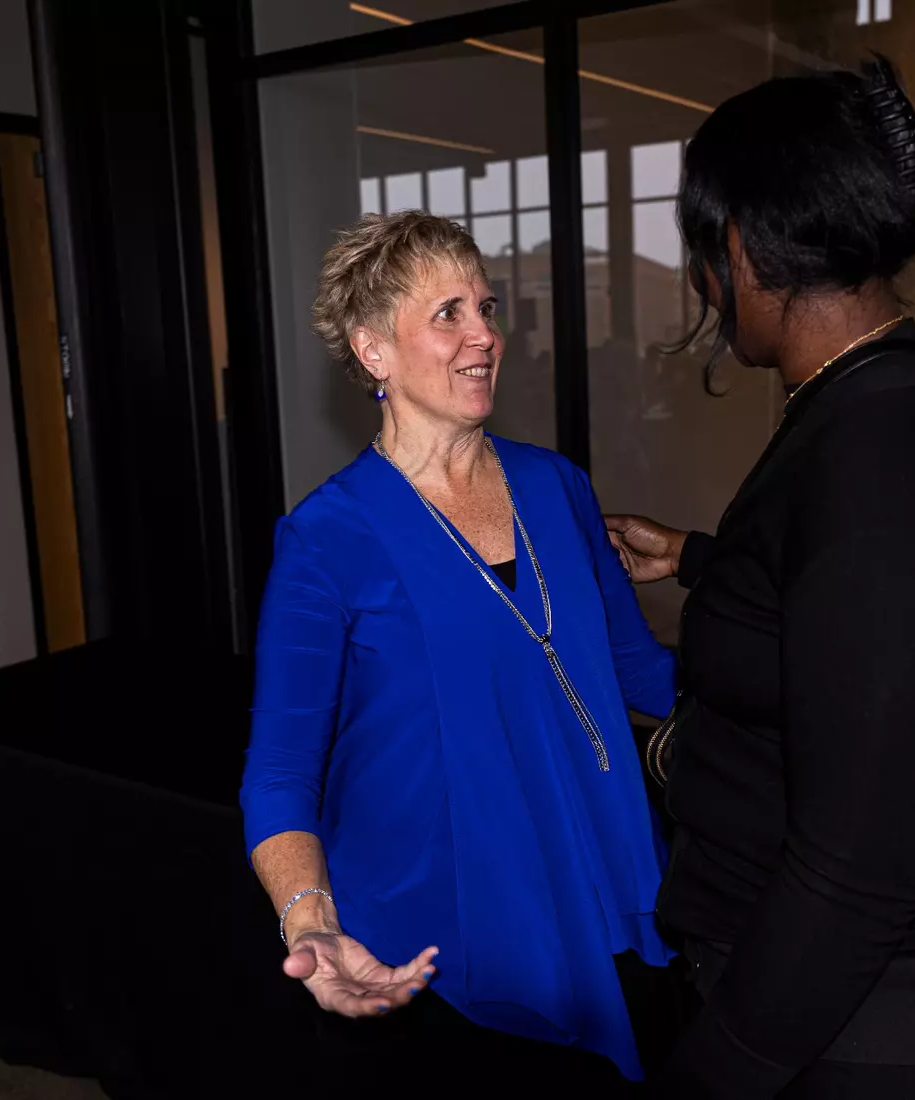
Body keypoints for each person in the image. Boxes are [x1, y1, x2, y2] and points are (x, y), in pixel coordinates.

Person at [603, 60, 915, 1098]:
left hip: (894, 1029)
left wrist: (715, 1070)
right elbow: (841, 611)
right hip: (854, 1010)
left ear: (737, 247)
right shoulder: (866, 402)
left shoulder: (891, 464)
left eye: (702, 252)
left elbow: (857, 869)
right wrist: (699, 557)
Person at [238, 211, 680, 1090]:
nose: (484, 335)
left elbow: (639, 669)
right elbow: (281, 770)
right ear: (374, 353)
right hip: (436, 925)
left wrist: (798, 695)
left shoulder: (557, 486)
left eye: (486, 307)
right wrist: (310, 922)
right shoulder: (328, 537)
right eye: (447, 314)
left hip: (597, 872)